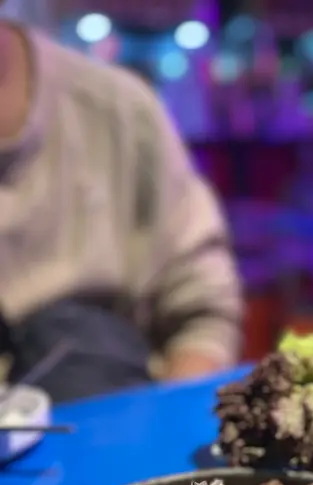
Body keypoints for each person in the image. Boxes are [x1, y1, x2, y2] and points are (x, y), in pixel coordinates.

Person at [0, 19, 243, 401]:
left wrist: (165, 421)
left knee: (77, 342)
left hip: (102, 408)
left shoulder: (117, 106)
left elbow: (202, 311)